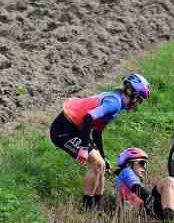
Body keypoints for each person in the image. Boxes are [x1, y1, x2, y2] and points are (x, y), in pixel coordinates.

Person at [49, 73, 151, 210]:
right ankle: (87, 207)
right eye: (140, 100)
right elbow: (88, 118)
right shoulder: (115, 102)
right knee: (96, 163)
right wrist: (84, 149)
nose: (138, 104)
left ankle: (97, 205)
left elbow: (97, 132)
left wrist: (104, 155)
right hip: (63, 129)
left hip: (77, 128)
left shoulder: (118, 103)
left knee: (102, 165)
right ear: (133, 95)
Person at [114, 147, 174, 220]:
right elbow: (135, 187)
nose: (144, 168)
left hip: (142, 212)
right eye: (142, 163)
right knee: (169, 181)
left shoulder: (123, 177)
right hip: (143, 211)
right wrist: (149, 200)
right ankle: (169, 216)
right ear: (129, 164)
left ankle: (170, 211)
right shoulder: (126, 171)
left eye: (145, 165)